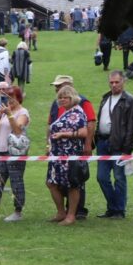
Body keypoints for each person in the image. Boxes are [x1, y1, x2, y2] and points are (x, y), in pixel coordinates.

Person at [48, 75, 96, 219]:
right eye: (57, 88)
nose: (57, 90)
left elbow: (88, 126)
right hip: (57, 153)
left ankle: (73, 214)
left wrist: (86, 144)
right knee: (52, 182)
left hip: (71, 152)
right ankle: (61, 212)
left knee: (73, 183)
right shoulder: (57, 105)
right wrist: (48, 143)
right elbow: (49, 125)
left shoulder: (81, 106)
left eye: (60, 86)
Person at [95, 71, 133, 219]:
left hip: (119, 145)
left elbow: (132, 128)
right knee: (101, 177)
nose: (114, 85)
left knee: (119, 178)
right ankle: (113, 207)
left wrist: (127, 150)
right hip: (102, 142)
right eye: (111, 82)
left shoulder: (131, 101)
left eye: (117, 82)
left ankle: (119, 210)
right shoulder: (105, 98)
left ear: (123, 82)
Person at [0, 86, 30, 222]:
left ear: (18, 97)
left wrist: (9, 114)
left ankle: (18, 212)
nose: (8, 100)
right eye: (7, 97)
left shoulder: (23, 112)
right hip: (1, 151)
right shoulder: (5, 112)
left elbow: (18, 130)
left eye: (11, 97)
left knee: (16, 181)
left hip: (15, 152)